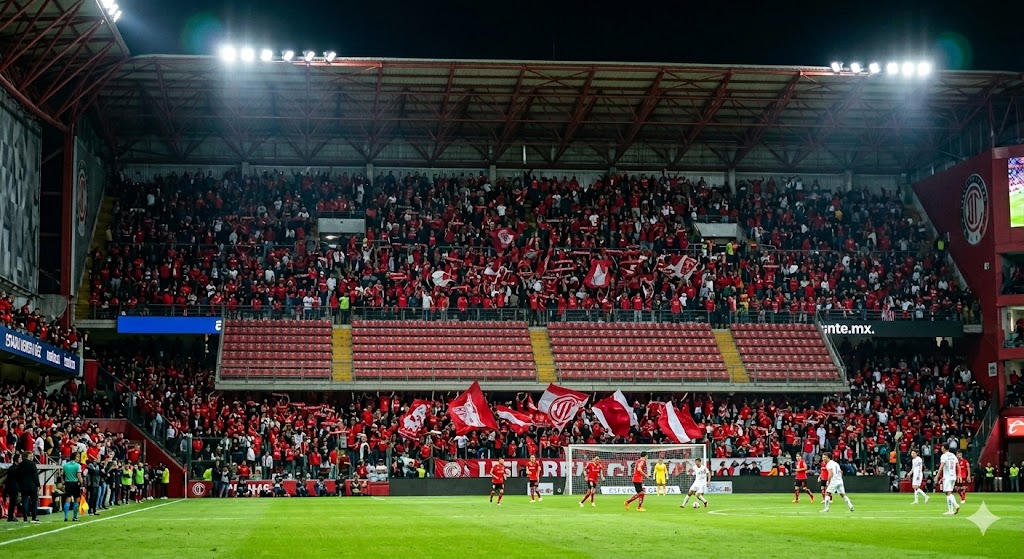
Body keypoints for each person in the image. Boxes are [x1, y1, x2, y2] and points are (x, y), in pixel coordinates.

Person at [936, 444, 961, 515]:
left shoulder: (944, 456)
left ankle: (956, 505)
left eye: (942, 447)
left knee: (948, 492)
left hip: (947, 476)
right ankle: (950, 510)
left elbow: (942, 465)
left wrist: (937, 475)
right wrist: (959, 475)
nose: (941, 448)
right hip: (953, 476)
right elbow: (958, 465)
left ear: (944, 448)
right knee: (947, 493)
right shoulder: (953, 455)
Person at [17, 452, 40, 523]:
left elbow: (18, 477)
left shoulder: (20, 465)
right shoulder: (32, 464)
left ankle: (25, 517)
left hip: (23, 486)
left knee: (25, 501)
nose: (32, 457)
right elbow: (35, 476)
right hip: (32, 486)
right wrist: (38, 485)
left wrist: (20, 484)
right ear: (28, 456)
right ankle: (34, 517)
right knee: (34, 502)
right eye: (31, 456)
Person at [62, 455, 83, 522]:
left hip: (67, 483)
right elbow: (79, 476)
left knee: (68, 499)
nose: (78, 458)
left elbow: (62, 474)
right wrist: (82, 483)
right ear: (75, 457)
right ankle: (75, 517)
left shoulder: (65, 465)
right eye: (78, 457)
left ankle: (65, 517)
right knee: (77, 500)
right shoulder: (77, 465)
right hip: (75, 483)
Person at [3, 452, 21, 522]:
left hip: (12, 486)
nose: (20, 460)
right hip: (13, 487)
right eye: (19, 458)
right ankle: (10, 516)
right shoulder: (14, 468)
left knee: (13, 502)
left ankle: (11, 515)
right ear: (16, 459)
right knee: (13, 502)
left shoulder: (13, 468)